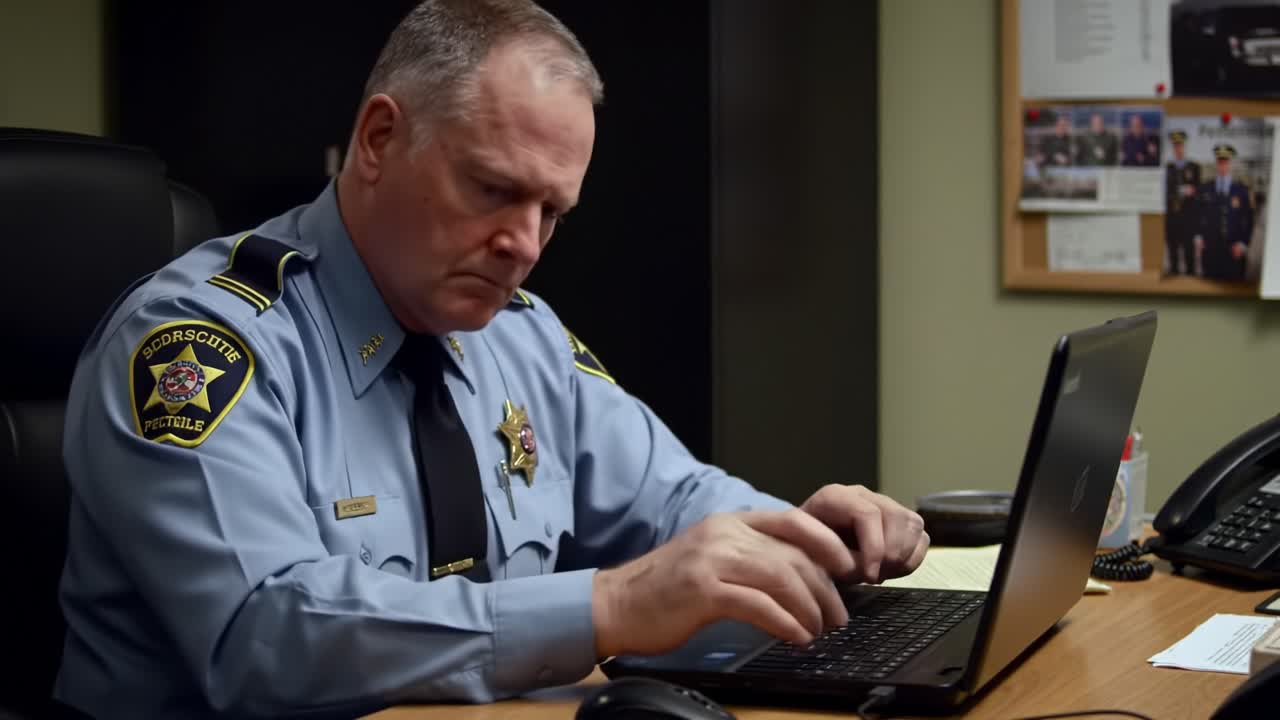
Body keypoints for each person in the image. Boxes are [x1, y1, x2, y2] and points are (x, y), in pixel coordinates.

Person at [54, 1, 929, 718]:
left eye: (553, 212)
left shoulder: (519, 335)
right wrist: (610, 606)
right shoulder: (199, 344)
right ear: (378, 138)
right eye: (494, 189)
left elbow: (673, 499)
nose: (523, 245)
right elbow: (261, 637)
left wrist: (801, 536)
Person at [1195, 143, 1253, 281]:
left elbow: (1249, 219)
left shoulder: (1242, 191)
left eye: (1225, 162)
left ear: (1230, 163)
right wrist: (1198, 238)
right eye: (1220, 162)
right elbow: (1197, 215)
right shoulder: (1205, 189)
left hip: (1234, 250)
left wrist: (1243, 244)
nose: (1223, 165)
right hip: (1210, 249)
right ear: (1216, 163)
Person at [1164, 130, 1200, 274]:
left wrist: (1194, 190)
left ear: (1185, 147)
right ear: (1173, 148)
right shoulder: (1168, 169)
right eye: (1175, 146)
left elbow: (1200, 191)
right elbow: (1165, 192)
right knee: (1173, 258)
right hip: (1172, 220)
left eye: (1181, 146)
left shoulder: (1194, 167)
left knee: (1189, 257)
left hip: (1188, 221)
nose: (1178, 149)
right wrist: (1177, 193)